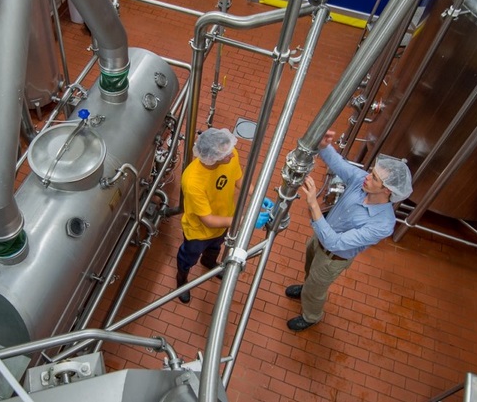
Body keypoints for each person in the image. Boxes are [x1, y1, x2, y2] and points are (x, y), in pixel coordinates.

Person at [284, 130, 412, 331]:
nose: (368, 177)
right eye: (372, 172)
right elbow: (338, 164)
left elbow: (335, 243)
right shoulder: (361, 181)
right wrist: (324, 146)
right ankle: (306, 287)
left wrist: (313, 203)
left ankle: (311, 316)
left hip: (332, 258)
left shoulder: (382, 224)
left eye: (374, 178)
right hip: (318, 239)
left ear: (387, 190)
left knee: (317, 290)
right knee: (310, 271)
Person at [175, 128, 269, 304]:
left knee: (216, 247)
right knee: (188, 257)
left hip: (225, 221)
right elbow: (208, 220)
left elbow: (238, 179)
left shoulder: (230, 154)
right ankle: (182, 281)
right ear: (213, 158)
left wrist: (258, 195)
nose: (232, 155)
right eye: (226, 154)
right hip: (198, 233)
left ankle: (208, 262)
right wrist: (245, 221)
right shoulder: (193, 181)